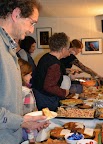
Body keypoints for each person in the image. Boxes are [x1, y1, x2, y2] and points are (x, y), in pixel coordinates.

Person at [0, 1, 49, 143]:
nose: (32, 30)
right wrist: (22, 121)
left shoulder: (9, 48)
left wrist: (25, 121)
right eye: (32, 23)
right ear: (16, 14)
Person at [32, 32, 70, 111]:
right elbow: (49, 87)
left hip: (39, 96)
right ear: (63, 49)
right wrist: (64, 92)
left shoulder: (45, 57)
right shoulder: (54, 64)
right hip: (46, 100)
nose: (68, 52)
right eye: (67, 48)